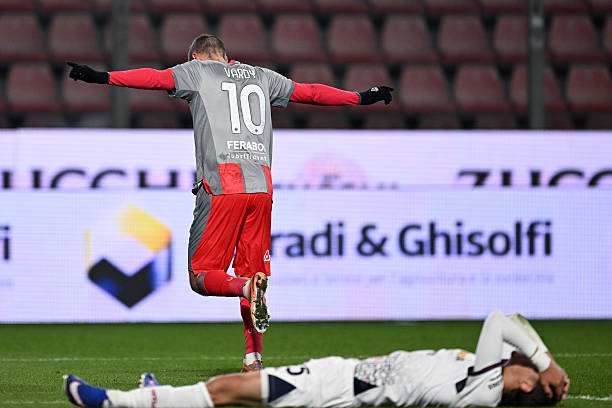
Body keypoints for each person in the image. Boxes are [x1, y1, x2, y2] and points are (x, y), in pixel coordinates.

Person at [67, 34, 394, 372]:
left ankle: (244, 289)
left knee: (201, 276)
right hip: (261, 188)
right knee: (255, 274)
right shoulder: (263, 76)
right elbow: (310, 92)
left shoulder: (196, 71)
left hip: (223, 186)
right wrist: (359, 97)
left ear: (196, 56)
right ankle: (253, 359)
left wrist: (102, 77)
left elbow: (154, 77)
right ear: (226, 55)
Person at [64, 310, 569, 408]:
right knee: (231, 393)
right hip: (342, 377)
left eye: (527, 367)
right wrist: (540, 364)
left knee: (226, 389)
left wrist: (547, 362)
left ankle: (113, 402)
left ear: (526, 384)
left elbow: (501, 321)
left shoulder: (484, 386)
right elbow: (513, 330)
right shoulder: (488, 374)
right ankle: (162, 398)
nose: (520, 359)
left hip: (338, 388)